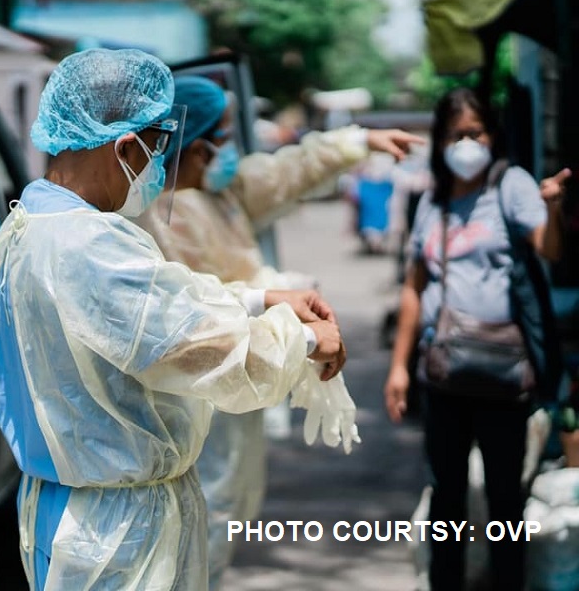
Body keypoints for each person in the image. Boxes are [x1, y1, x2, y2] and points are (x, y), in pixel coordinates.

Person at [0, 48, 349, 591]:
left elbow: (161, 301)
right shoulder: (88, 243)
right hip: (116, 528)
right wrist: (306, 340)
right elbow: (189, 344)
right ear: (126, 147)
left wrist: (260, 299)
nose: (156, 174)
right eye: (154, 153)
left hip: (78, 509)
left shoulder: (32, 223)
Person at [135, 75, 423, 589]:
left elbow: (284, 172)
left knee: (230, 503)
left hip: (242, 372)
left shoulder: (223, 195)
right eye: (223, 135)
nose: (231, 148)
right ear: (197, 145)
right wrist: (285, 300)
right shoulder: (164, 214)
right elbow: (205, 299)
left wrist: (355, 144)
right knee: (212, 504)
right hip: (204, 387)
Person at [383, 86, 568, 591]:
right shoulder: (434, 201)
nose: (466, 144)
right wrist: (399, 368)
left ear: (492, 135)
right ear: (439, 141)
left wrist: (552, 208)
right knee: (447, 496)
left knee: (507, 497)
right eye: (455, 135)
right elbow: (413, 289)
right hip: (443, 374)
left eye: (475, 133)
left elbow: (548, 250)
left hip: (505, 373)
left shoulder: (511, 186)